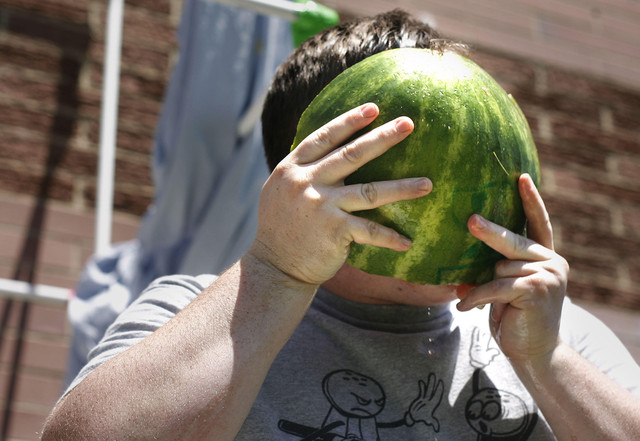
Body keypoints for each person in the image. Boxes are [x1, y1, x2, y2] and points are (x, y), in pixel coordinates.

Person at [42, 9, 640, 441]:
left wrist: (549, 360)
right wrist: (275, 274)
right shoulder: (190, 307)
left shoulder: (563, 336)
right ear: (299, 173)